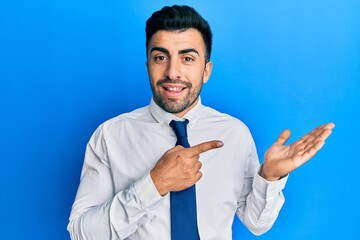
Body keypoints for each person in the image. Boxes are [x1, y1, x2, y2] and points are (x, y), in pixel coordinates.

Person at [67, 5, 334, 240]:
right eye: (161, 57)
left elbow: (256, 224)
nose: (173, 72)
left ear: (206, 70)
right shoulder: (110, 136)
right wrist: (154, 184)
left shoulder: (234, 134)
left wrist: (270, 177)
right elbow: (81, 234)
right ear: (148, 64)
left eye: (187, 58)